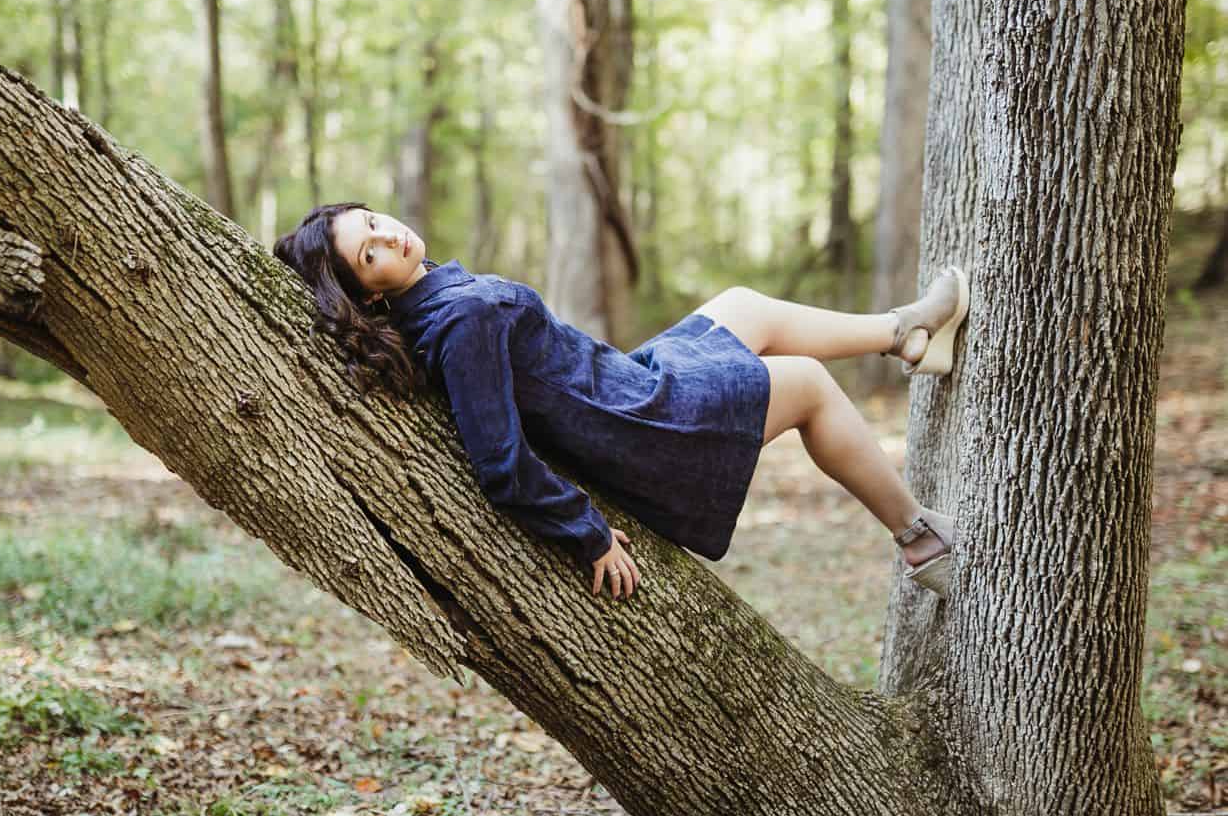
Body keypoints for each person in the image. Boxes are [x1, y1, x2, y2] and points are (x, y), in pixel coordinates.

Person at [273, 201, 969, 603]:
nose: (389, 235)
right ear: (370, 293)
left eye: (373, 220)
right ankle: (920, 538)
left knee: (743, 306)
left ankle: (902, 335)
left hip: (626, 383)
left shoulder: (441, 299)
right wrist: (588, 530)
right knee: (809, 383)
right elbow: (498, 462)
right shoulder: (459, 322)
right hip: (642, 426)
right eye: (371, 253)